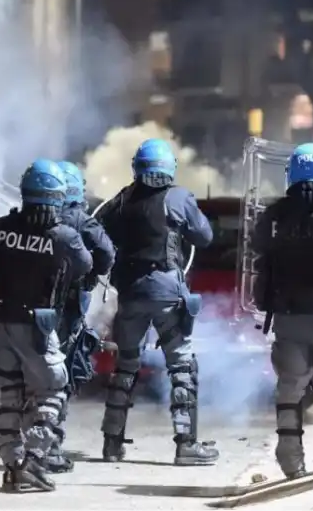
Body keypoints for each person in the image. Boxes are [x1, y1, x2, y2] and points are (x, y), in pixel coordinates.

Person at [0, 158, 92, 492]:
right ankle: (34, 462)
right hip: (35, 324)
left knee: (10, 392)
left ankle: (11, 467)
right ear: (58, 196)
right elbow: (85, 266)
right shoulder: (65, 236)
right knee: (52, 390)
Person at [96, 138, 217, 466]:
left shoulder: (121, 200)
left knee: (125, 368)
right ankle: (186, 444)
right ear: (169, 167)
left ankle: (111, 443)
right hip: (166, 293)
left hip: (131, 294)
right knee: (181, 366)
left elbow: (96, 233)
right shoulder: (178, 198)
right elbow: (204, 237)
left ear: (138, 166)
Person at [250, 143, 313, 479]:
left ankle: (291, 460)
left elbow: (257, 248)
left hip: (288, 315)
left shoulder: (274, 215)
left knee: (290, 389)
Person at [43, 160, 114, 474]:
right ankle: (49, 446)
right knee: (60, 376)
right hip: (68, 308)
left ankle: (21, 443)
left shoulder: (35, 218)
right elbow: (107, 254)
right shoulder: (82, 222)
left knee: (29, 375)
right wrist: (90, 274)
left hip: (30, 309)